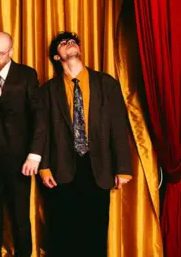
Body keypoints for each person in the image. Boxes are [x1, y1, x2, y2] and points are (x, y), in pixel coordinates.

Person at [39, 31, 132, 257]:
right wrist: (43, 166)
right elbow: (42, 132)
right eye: (63, 43)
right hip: (61, 168)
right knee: (62, 232)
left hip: (98, 167)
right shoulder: (48, 90)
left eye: (73, 41)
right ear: (56, 57)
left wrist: (123, 168)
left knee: (95, 231)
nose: (70, 44)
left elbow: (119, 127)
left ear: (79, 48)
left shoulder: (106, 83)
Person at [0, 32, 46, 257]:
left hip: (20, 159)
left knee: (20, 217)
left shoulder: (27, 74)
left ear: (11, 52)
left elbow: (38, 115)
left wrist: (35, 154)